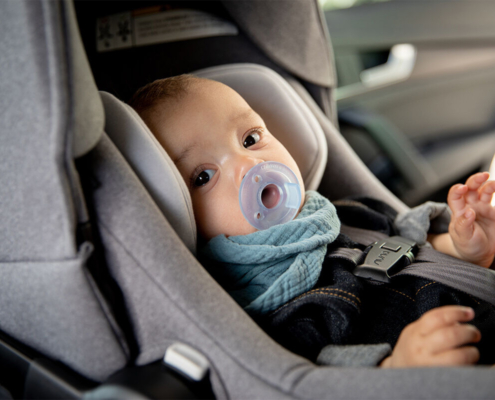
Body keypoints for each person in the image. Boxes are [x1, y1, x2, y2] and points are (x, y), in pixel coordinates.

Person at [129, 74, 495, 368]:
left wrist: (463, 246)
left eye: (251, 138)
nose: (249, 166)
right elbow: (312, 375)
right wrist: (395, 370)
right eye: (203, 177)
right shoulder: (254, 306)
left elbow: (415, 249)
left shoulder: (347, 214)